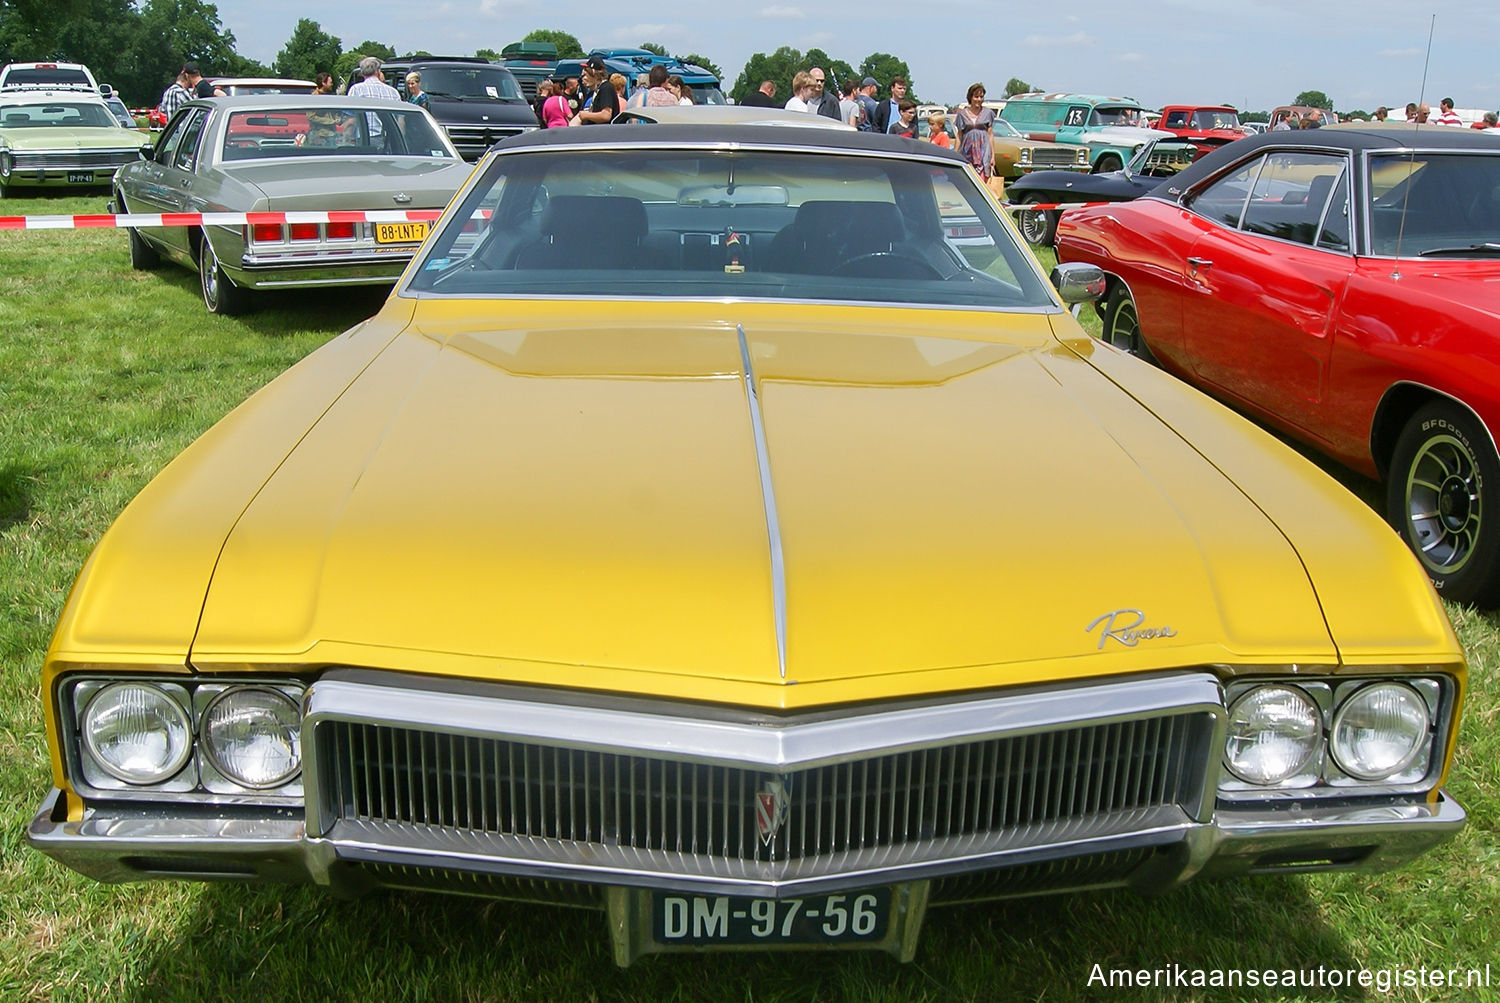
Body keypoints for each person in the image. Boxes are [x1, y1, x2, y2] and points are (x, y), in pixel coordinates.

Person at [955, 82, 995, 181]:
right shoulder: (962, 114)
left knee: (982, 182)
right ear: (970, 97)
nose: (979, 99)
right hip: (967, 152)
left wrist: (993, 155)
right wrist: (955, 153)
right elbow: (959, 136)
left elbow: (990, 135)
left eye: (981, 97)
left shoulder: (988, 113)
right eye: (976, 97)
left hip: (983, 152)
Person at [572, 57, 619, 124]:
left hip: (604, 132)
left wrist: (585, 115)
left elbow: (606, 115)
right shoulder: (593, 92)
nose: (582, 78)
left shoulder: (606, 88)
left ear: (593, 72)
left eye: (585, 75)